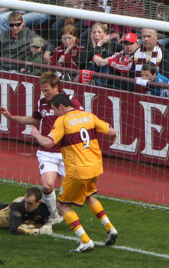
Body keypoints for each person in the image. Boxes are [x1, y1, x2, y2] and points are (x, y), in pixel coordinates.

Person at [29, 94, 118, 253]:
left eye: (55, 110)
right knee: (88, 196)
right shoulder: (88, 115)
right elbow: (111, 131)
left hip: (77, 171)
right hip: (95, 167)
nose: (55, 113)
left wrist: (36, 134)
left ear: (61, 106)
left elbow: (48, 143)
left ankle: (85, 241)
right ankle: (110, 228)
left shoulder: (62, 121)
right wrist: (113, 136)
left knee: (63, 205)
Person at [0, 71, 84, 223]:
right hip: (47, 151)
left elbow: (82, 117)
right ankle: (53, 216)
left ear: (56, 87)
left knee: (66, 194)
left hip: (67, 152)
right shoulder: (42, 102)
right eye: (42, 90)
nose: (44, 93)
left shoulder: (69, 100)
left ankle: (65, 215)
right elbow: (34, 120)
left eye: (47, 90)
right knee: (47, 186)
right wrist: (11, 117)